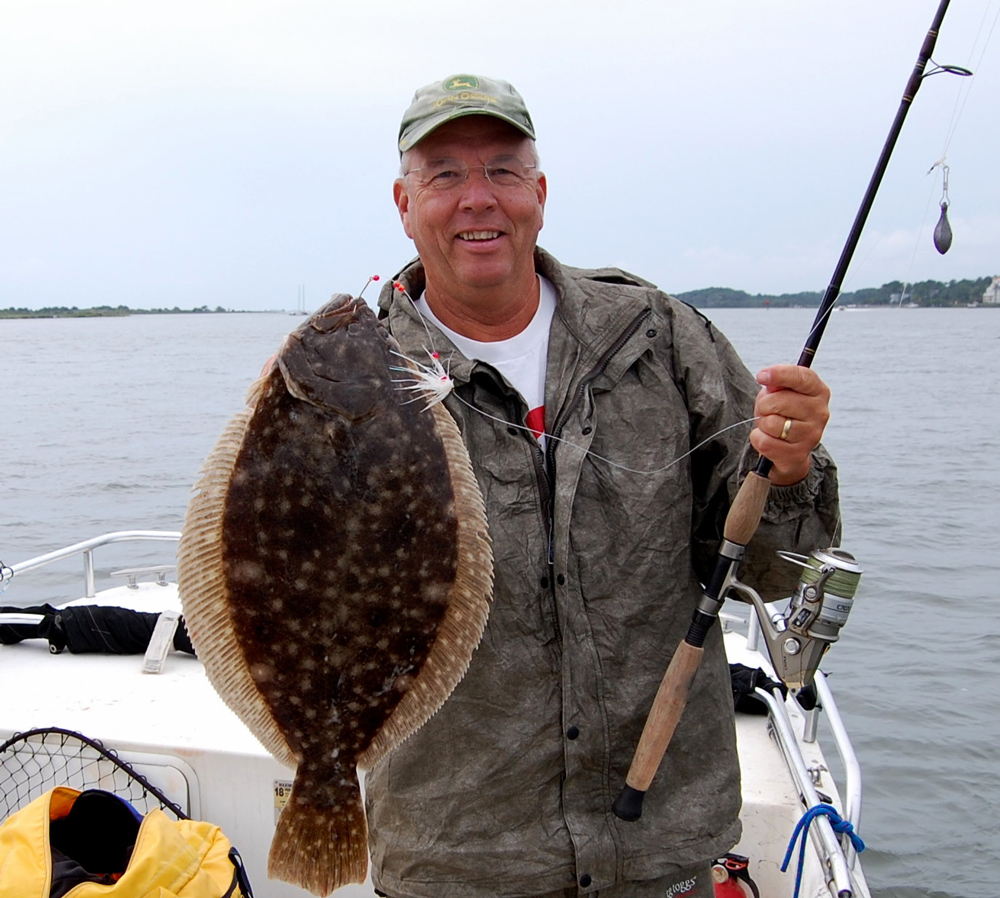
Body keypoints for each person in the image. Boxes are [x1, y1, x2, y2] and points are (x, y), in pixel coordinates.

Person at [365, 74, 839, 898]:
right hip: (458, 863)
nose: (478, 199)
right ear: (405, 204)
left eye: (503, 172)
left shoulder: (659, 337)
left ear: (539, 194)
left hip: (661, 854)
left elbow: (769, 573)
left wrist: (791, 468)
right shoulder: (348, 377)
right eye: (444, 174)